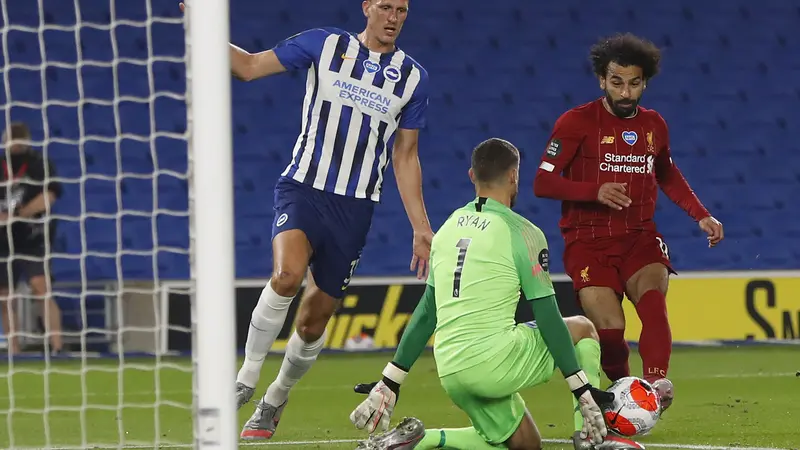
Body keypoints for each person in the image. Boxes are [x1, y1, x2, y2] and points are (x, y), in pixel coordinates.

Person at [181, 0, 433, 440]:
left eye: (403, 10)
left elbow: (405, 155)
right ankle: (245, 377)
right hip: (303, 188)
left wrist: (421, 227)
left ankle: (274, 399)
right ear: (367, 6)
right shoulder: (326, 44)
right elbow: (249, 67)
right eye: (387, 7)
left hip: (354, 209)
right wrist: (201, 26)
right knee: (285, 276)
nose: (394, 17)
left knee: (312, 321)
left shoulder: (413, 79)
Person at [350, 138, 644, 450]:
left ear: (471, 176)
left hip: (449, 367)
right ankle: (590, 438)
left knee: (525, 444)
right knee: (583, 329)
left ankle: (417, 442)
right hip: (493, 363)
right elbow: (546, 316)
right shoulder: (522, 232)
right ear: (514, 176)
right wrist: (581, 388)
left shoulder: (447, 229)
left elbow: (426, 312)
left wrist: (390, 381)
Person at [533, 32, 724, 412]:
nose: (625, 92)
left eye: (634, 84)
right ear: (602, 80)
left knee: (653, 304)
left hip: (639, 236)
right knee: (611, 329)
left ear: (644, 82)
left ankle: (655, 383)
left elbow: (667, 172)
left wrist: (701, 213)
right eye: (617, 82)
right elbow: (542, 182)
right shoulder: (576, 122)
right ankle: (624, 394)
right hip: (588, 241)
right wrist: (595, 191)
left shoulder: (655, 125)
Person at [0, 122, 63, 355]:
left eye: (19, 140)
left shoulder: (39, 164)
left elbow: (49, 196)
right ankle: (13, 349)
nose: (15, 144)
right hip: (2, 239)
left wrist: (17, 215)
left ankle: (57, 347)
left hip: (33, 234)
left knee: (40, 286)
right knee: (5, 295)